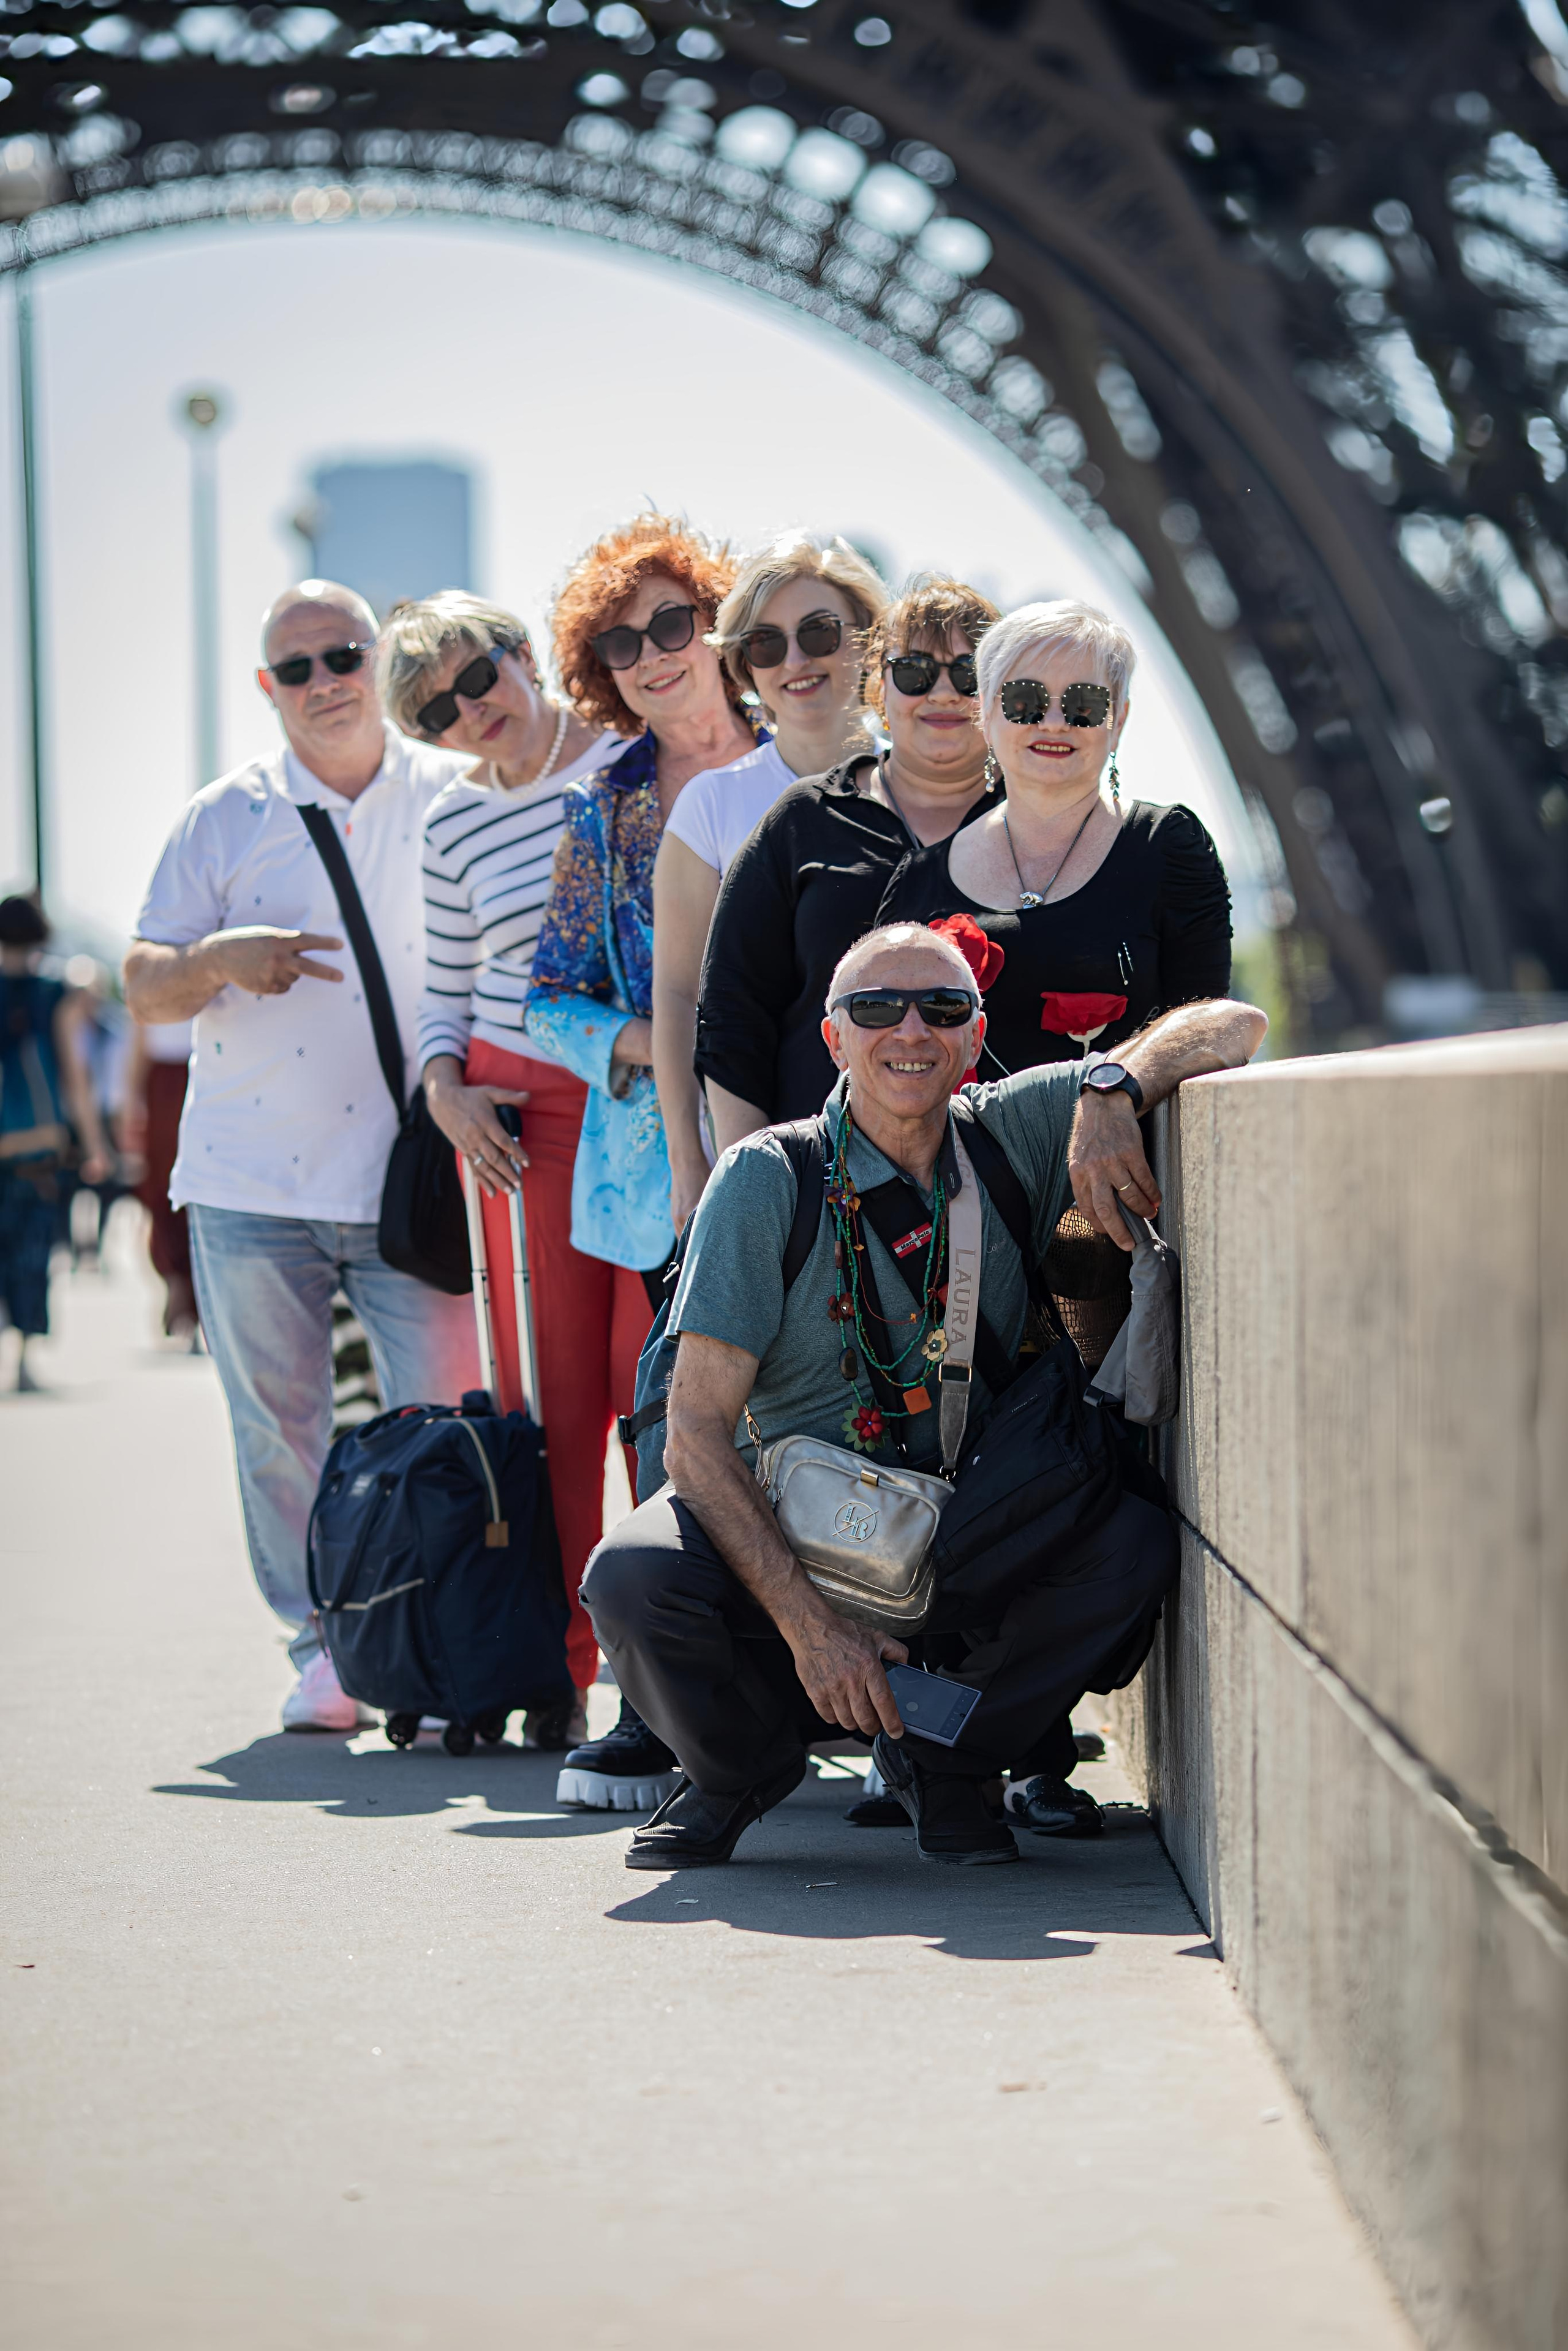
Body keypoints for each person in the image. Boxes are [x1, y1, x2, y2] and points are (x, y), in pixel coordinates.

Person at [582, 923, 1267, 1868]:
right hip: (791, 1528)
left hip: (957, 1527)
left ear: (974, 1035)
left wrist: (1112, 1087)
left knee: (1133, 1545)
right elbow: (694, 1434)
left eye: (942, 1008)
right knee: (632, 1577)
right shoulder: (766, 1177)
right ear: (835, 1039)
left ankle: (946, 1761)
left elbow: (1234, 1025)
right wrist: (815, 1632)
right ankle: (738, 1769)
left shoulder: (1017, 1130)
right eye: (876, 1008)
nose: (911, 1030)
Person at [876, 597, 1233, 1836]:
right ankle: (954, 1736)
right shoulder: (922, 879)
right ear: (983, 712)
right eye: (1024, 700)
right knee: (964, 1492)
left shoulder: (1165, 846)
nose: (1052, 724)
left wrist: (1109, 1082)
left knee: (1084, 1495)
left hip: (1100, 1237)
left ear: (1118, 718)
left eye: (1082, 702)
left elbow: (1218, 1024)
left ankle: (1025, 1746)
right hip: (954, 1244)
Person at [123, 579, 477, 1734]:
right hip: (251, 1183)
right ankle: (319, 1644)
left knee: (448, 1418)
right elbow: (142, 982)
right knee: (280, 1432)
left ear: (381, 657)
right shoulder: (224, 816)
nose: (326, 681)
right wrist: (215, 960)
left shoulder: (455, 788)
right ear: (266, 687)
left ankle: (436, 1645)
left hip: (412, 1183)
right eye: (298, 667)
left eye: (345, 654)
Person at [510, 513, 760, 1786]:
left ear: (717, 625)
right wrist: (639, 1042)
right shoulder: (603, 804)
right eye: (622, 643)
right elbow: (545, 995)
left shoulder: (813, 761)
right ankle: (658, 1692)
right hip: (661, 1163)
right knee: (667, 1417)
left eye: (673, 621)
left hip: (814, 1124)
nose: (655, 652)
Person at [381, 589, 627, 1746]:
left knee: (659, 1385)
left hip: (640, 1098)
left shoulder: (629, 760)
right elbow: (440, 990)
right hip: (514, 1115)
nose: (468, 711)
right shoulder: (451, 824)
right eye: (435, 711)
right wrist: (441, 1089)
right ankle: (560, 1665)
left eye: (478, 676)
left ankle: (680, 1671)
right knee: (554, 1405)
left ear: (524, 653)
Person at [693, 575, 1000, 1150]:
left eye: (968, 674)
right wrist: (755, 1183)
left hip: (1013, 1180)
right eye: (914, 672)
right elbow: (732, 1015)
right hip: (821, 1181)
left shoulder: (1037, 823)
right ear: (878, 685)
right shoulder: (803, 819)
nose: (942, 693)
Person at [652, 532, 888, 1232]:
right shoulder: (710, 804)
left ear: (868, 640)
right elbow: (678, 994)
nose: (795, 661)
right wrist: (690, 1163)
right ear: (743, 666)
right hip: (773, 1149)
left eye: (818, 632)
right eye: (765, 644)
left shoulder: (927, 786)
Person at [0, 895, 111, 1392]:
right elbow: (75, 1077)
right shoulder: (54, 995)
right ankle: (23, 1359)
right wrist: (95, 1145)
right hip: (39, 1147)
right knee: (32, 1255)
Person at [124, 1017, 198, 1341]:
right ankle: (179, 1282)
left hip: (196, 1081)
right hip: (169, 1087)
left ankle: (184, 1287)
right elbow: (139, 1051)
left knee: (181, 1194)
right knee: (167, 1195)